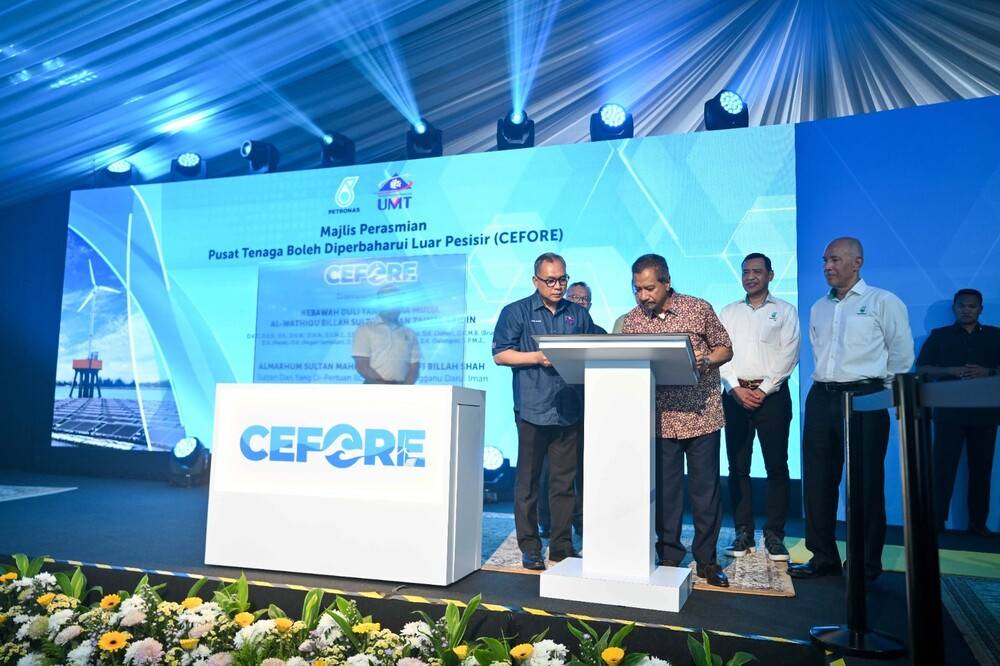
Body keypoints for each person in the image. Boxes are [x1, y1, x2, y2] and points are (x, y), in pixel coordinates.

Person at [789, 237, 914, 582]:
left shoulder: (883, 301)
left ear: (857, 262)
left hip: (865, 397)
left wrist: (885, 396)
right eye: (825, 260)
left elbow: (901, 355)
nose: (828, 266)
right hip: (822, 396)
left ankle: (863, 565)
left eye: (835, 260)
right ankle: (823, 556)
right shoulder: (818, 307)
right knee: (817, 482)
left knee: (864, 484)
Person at [621, 253, 734, 587]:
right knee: (667, 492)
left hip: (702, 415)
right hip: (659, 419)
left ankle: (707, 560)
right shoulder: (632, 321)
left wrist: (707, 360)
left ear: (667, 283)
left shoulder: (697, 308)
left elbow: (725, 348)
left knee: (704, 491)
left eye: (650, 288)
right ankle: (669, 553)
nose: (643, 296)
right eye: (637, 289)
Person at [492, 252, 597, 570]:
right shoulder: (516, 312)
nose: (558, 286)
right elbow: (501, 355)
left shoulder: (577, 315)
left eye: (562, 279)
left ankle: (562, 546)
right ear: (535, 280)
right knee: (528, 480)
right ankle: (530, 546)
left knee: (564, 482)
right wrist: (538, 357)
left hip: (568, 409)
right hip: (532, 408)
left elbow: (592, 347)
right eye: (550, 280)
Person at [719, 253, 800, 561]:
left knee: (777, 466)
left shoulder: (785, 311)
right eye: (745, 272)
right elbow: (719, 352)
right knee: (737, 467)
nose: (750, 276)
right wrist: (735, 387)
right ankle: (743, 532)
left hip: (773, 398)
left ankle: (775, 534)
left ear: (770, 275)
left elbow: (789, 355)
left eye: (756, 271)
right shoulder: (728, 312)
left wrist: (764, 390)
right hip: (735, 396)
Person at [916, 288, 1000, 537]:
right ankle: (935, 522)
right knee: (942, 470)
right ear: (954, 308)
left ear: (980, 309)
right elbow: (922, 368)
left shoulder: (996, 336)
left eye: (972, 306)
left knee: (981, 471)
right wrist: (951, 371)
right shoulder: (939, 336)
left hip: (985, 412)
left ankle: (978, 525)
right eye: (962, 305)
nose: (966, 310)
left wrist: (988, 373)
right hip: (948, 411)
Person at [538, 281, 602, 539]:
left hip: (586, 409)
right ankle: (546, 520)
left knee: (583, 470)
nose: (578, 302)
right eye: (573, 297)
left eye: (583, 299)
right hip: (553, 409)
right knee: (550, 470)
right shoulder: (554, 329)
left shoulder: (598, 333)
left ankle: (581, 520)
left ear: (589, 304)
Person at [352, 284, 420, 384]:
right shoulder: (365, 329)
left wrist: (405, 388)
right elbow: (362, 365)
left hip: (402, 390)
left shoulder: (410, 333)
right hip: (373, 389)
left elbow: (414, 366)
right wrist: (385, 386)